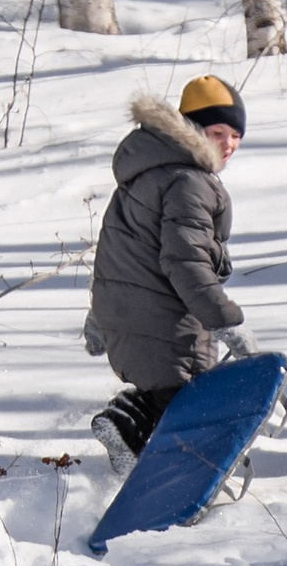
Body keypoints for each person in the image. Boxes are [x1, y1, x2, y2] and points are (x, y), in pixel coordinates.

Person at [85, 73, 252, 470]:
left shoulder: (143, 174)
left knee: (165, 395)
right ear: (193, 130)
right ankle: (142, 446)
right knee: (184, 401)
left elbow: (120, 251)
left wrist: (98, 315)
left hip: (126, 314)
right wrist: (226, 320)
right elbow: (186, 261)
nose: (228, 144)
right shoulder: (190, 182)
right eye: (217, 131)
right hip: (166, 319)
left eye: (235, 135)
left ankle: (128, 419)